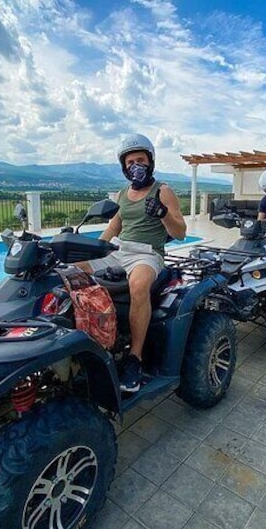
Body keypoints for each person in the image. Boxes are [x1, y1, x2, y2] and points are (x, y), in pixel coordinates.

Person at [81, 133, 186, 393]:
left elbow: (181, 231)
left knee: (138, 285)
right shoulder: (122, 194)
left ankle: (135, 357)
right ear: (124, 167)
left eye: (140, 160)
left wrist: (162, 213)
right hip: (120, 249)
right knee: (73, 268)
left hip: (147, 253)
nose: (135, 165)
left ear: (150, 161)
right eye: (130, 162)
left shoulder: (163, 190)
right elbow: (114, 227)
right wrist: (92, 249)